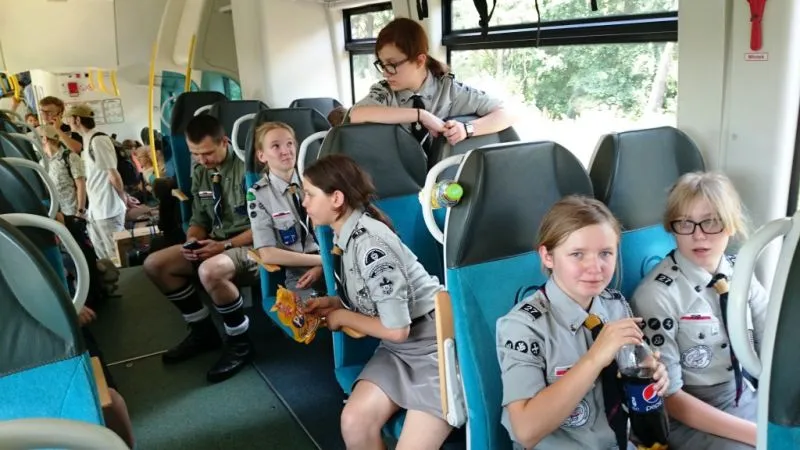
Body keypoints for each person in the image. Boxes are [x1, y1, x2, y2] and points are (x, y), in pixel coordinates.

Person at [301, 154, 452, 449]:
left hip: (436, 346)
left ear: (336, 199)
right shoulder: (346, 236)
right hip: (399, 350)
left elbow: (397, 328)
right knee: (354, 421)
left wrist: (342, 318)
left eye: (309, 194)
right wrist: (335, 303)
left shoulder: (371, 244)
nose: (304, 203)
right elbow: (372, 298)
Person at [496, 196, 669, 450]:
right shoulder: (524, 326)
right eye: (577, 254)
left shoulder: (615, 306)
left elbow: (630, 377)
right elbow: (526, 431)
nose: (595, 267)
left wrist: (652, 373)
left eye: (605, 253)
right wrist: (595, 358)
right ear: (547, 256)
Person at [631, 172, 767, 449]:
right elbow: (671, 398)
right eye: (685, 223)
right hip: (687, 415)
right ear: (672, 229)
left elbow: (772, 342)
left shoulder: (742, 273)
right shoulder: (656, 295)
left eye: (711, 221)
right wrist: (758, 436)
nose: (698, 235)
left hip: (744, 394)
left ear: (731, 226)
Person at [142, 114, 258, 383]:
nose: (202, 160)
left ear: (224, 142)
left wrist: (224, 245)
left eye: (207, 153)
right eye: (195, 154)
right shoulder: (201, 173)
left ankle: (240, 343)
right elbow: (199, 219)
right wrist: (191, 241)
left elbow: (265, 226)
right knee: (156, 264)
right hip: (218, 242)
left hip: (252, 245)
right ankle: (203, 332)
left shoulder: (249, 170)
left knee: (210, 271)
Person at [350, 18, 515, 151]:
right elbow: (356, 114)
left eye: (392, 64)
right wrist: (421, 115)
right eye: (382, 64)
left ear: (419, 60)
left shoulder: (449, 91)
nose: (385, 73)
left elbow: (508, 112)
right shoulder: (385, 92)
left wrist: (466, 129)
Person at [247, 122, 325, 297]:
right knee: (313, 311)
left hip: (334, 261)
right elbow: (267, 254)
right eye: (276, 146)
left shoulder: (317, 182)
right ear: (261, 156)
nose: (286, 151)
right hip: (300, 271)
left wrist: (324, 264)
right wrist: (322, 261)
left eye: (290, 143)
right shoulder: (258, 194)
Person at [63, 104, 128, 261]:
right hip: (96, 210)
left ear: (77, 120)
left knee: (116, 256)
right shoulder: (87, 140)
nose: (68, 123)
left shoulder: (98, 140)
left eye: (69, 119)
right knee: (104, 257)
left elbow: (113, 175)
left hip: (108, 209)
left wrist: (122, 198)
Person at [39, 124, 87, 217]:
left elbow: (81, 185)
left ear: (44, 139)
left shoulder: (70, 157)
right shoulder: (42, 162)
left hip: (73, 212)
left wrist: (80, 211)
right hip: (56, 212)